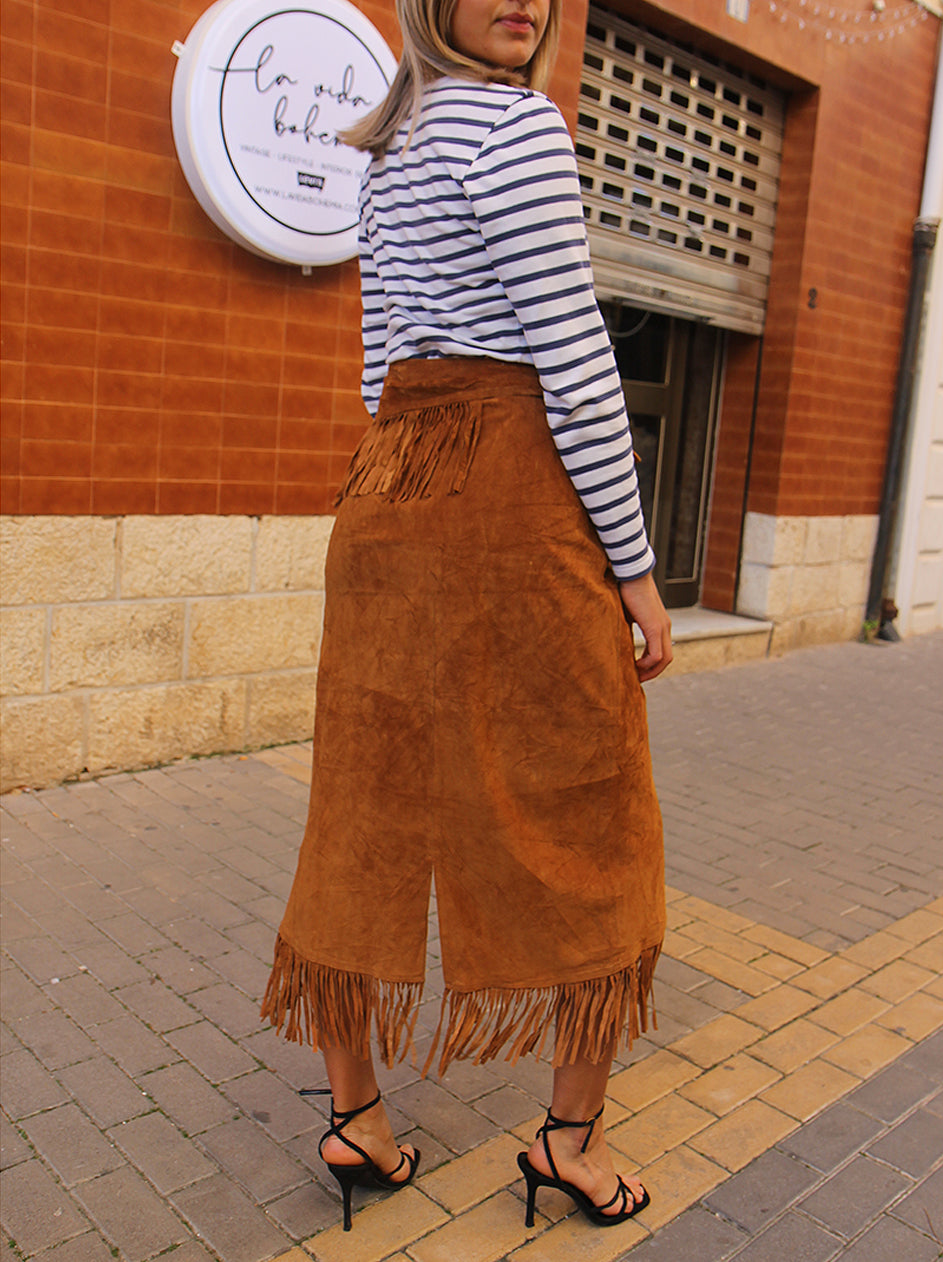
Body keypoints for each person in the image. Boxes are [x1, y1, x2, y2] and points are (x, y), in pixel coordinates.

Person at [261, 0, 673, 1234]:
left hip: (388, 491)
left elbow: (384, 363)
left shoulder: (393, 144)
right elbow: (577, 363)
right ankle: (570, 1145)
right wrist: (638, 572)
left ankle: (355, 1116)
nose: (526, 1)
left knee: (363, 802)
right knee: (593, 809)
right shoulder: (515, 125)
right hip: (510, 499)